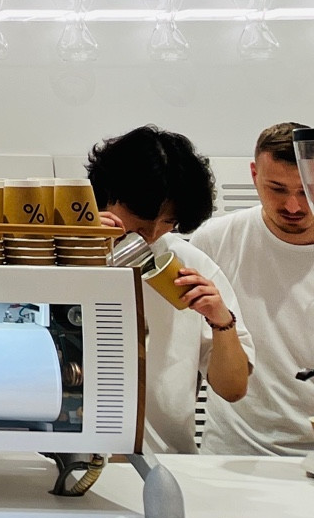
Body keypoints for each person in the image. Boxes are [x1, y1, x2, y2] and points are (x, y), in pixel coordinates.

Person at [86, 126, 250, 454]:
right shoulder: (60, 250)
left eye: (168, 223)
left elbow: (233, 389)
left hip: (165, 461)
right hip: (70, 453)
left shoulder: (188, 264)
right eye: (142, 219)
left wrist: (221, 319)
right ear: (106, 194)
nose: (152, 234)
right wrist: (79, 252)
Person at [191, 122, 314, 457]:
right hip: (233, 452)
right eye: (277, 189)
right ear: (254, 174)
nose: (293, 206)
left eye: (306, 190)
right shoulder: (213, 241)